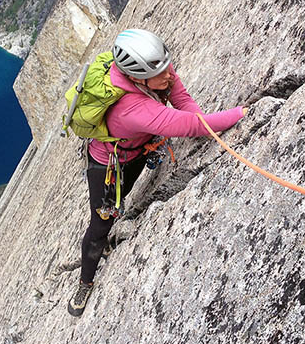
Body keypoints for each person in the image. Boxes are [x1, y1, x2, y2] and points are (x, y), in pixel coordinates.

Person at [67, 28, 247, 317]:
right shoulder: (132, 109)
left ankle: (110, 231)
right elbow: (193, 127)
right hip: (107, 167)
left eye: (167, 66)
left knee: (119, 204)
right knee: (100, 225)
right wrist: (239, 114)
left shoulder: (153, 69)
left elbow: (184, 103)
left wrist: (199, 116)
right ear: (136, 77)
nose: (169, 75)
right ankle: (85, 282)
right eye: (161, 72)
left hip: (137, 152)